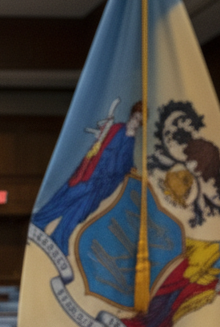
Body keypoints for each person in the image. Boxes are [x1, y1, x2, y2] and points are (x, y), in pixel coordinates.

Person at [33, 101, 142, 255]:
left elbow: (125, 163)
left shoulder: (130, 140)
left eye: (140, 122)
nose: (136, 124)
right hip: (90, 176)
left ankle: (60, 238)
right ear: (131, 116)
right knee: (66, 199)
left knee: (80, 212)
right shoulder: (117, 129)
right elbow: (100, 147)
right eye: (136, 118)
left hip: (102, 186)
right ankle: (39, 221)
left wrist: (131, 168)